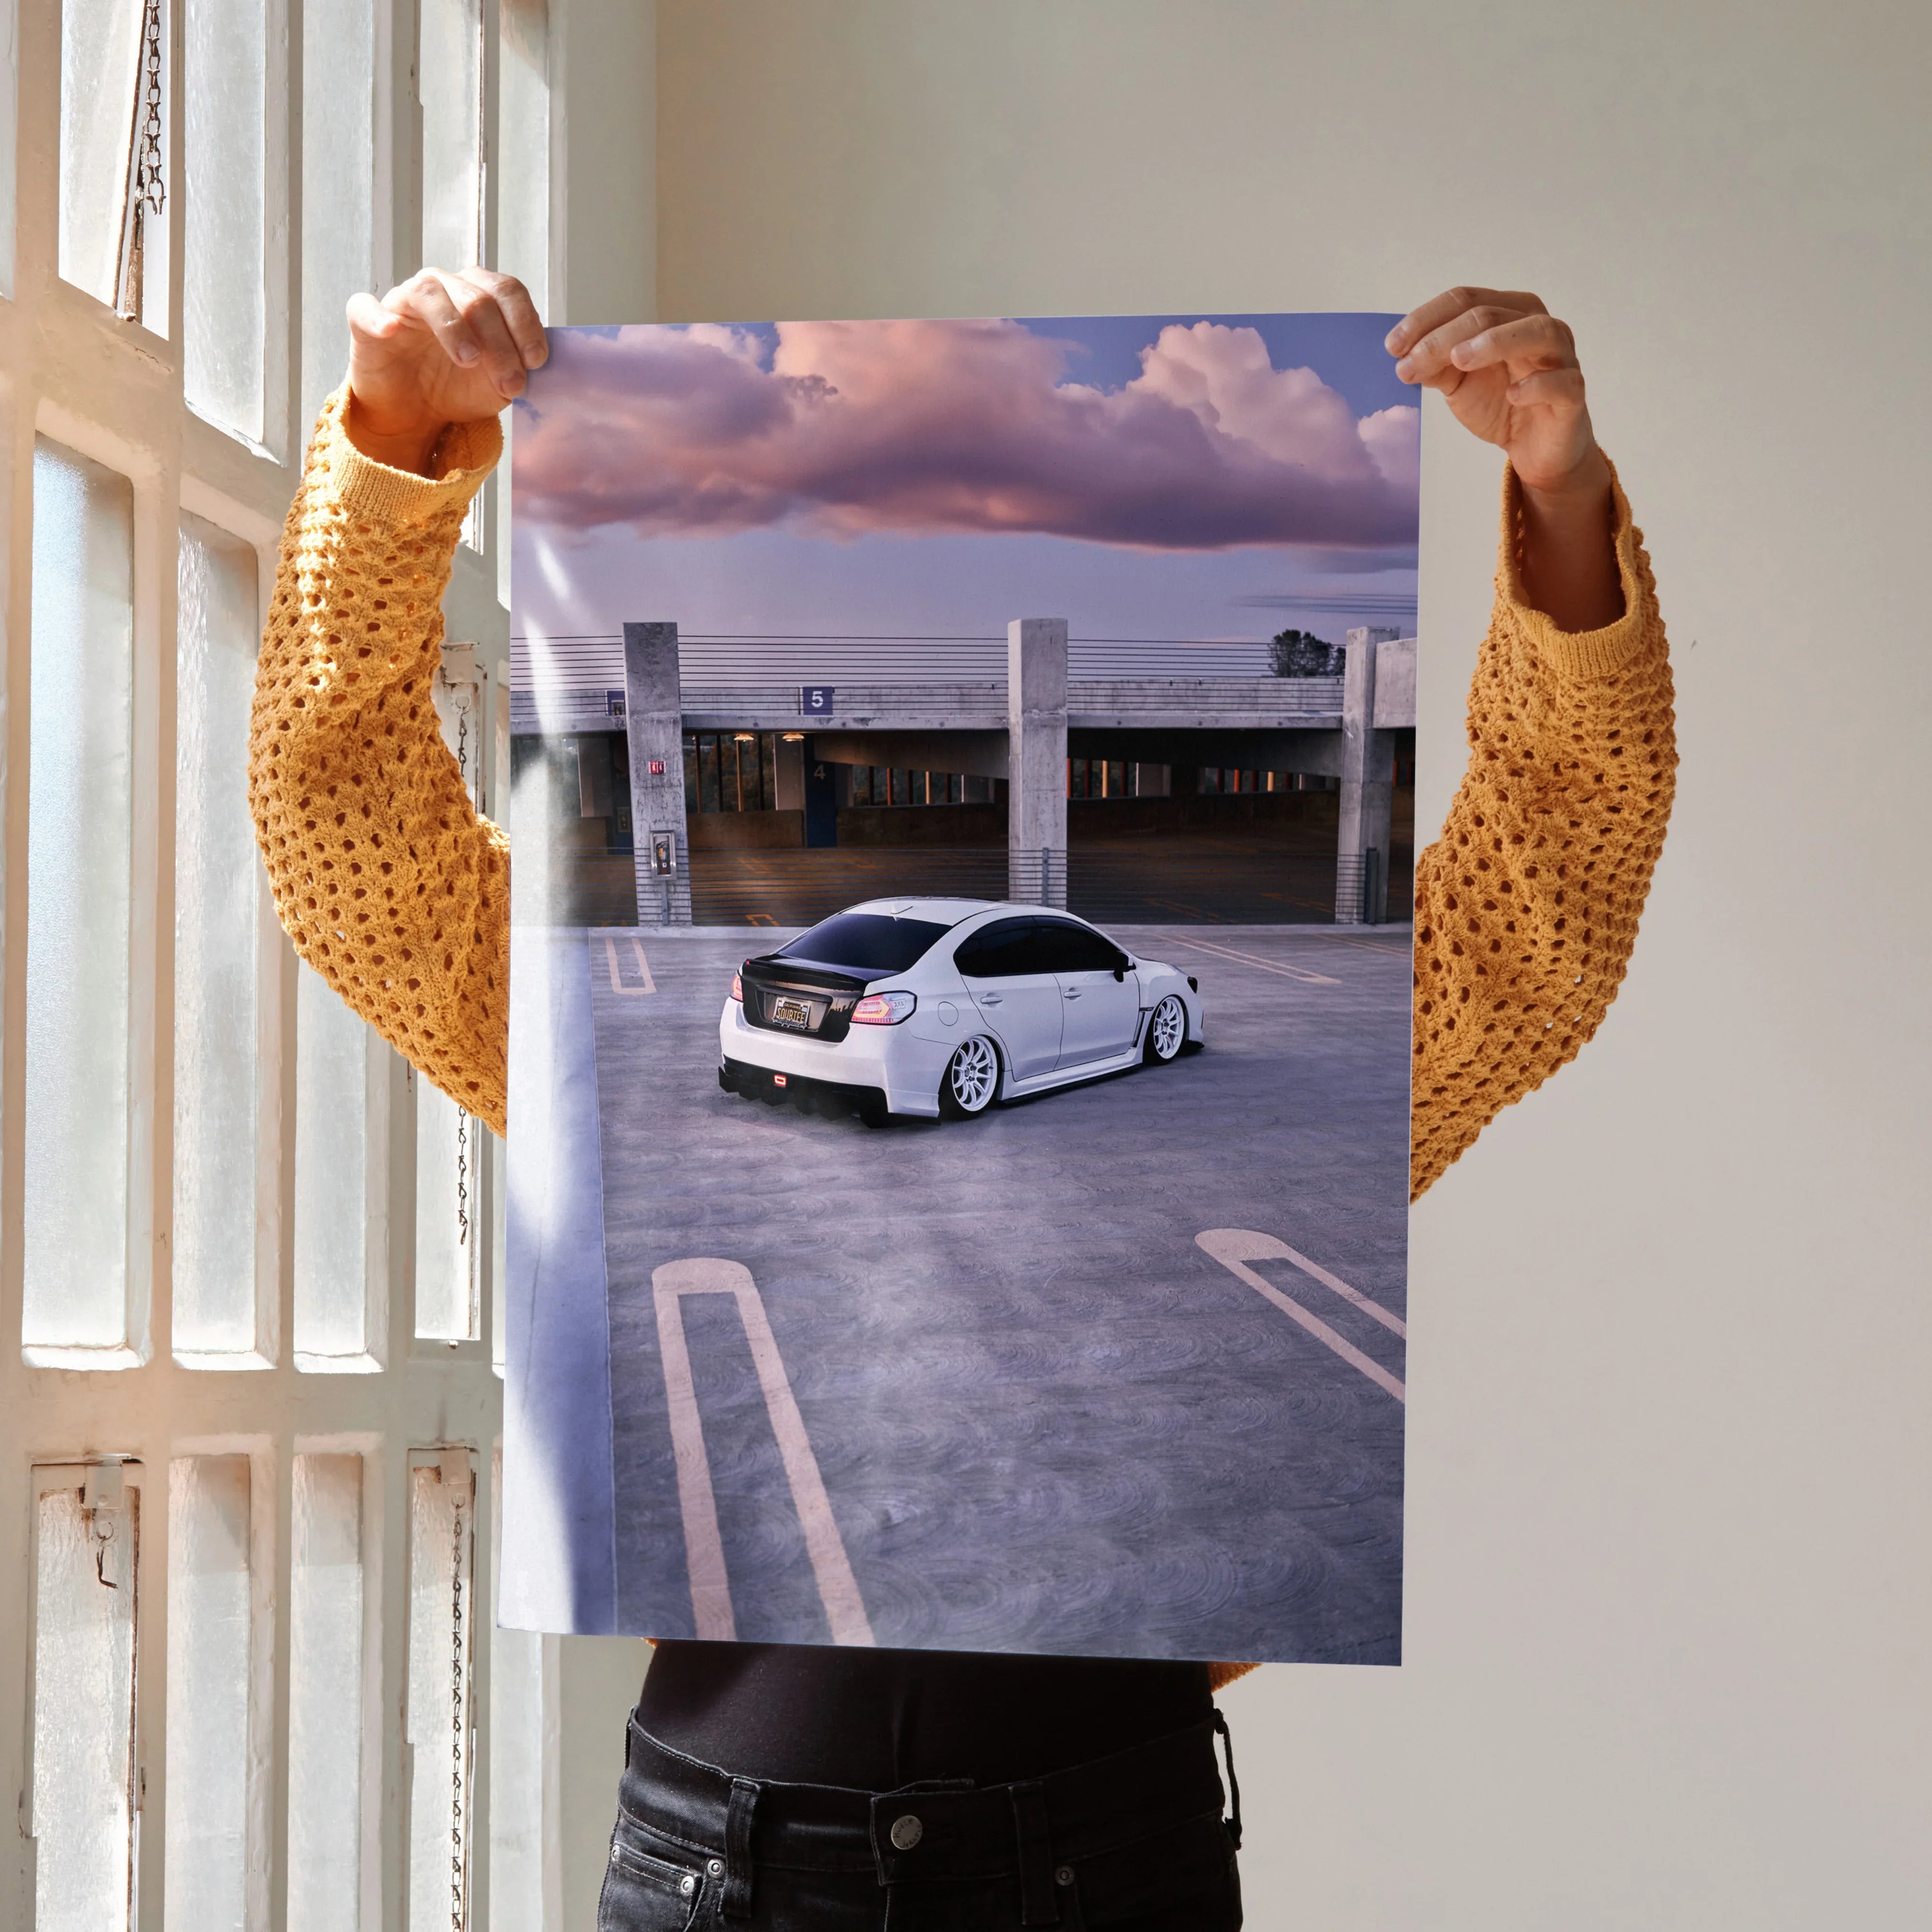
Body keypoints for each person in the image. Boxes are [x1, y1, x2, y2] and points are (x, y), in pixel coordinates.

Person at [250, 270, 1675, 1929]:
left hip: (1096, 1848)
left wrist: (1561, 499)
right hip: (736, 1862)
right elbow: (347, 840)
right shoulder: (611, 1052)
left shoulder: (1249, 1079)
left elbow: (1546, 902)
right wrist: (392, 447)